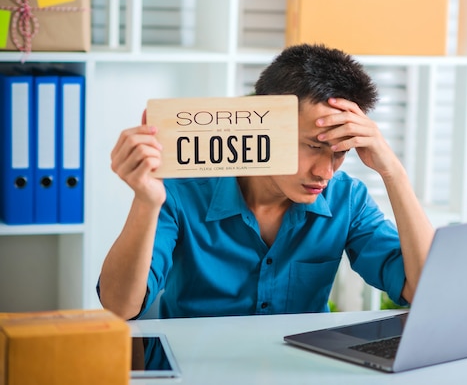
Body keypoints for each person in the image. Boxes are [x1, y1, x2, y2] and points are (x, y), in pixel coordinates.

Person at [98, 44, 434, 320]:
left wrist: (394, 173)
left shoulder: (347, 197)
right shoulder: (181, 191)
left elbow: (423, 291)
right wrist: (146, 201)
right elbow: (118, 307)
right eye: (313, 147)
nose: (325, 171)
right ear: (262, 127)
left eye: (339, 152)